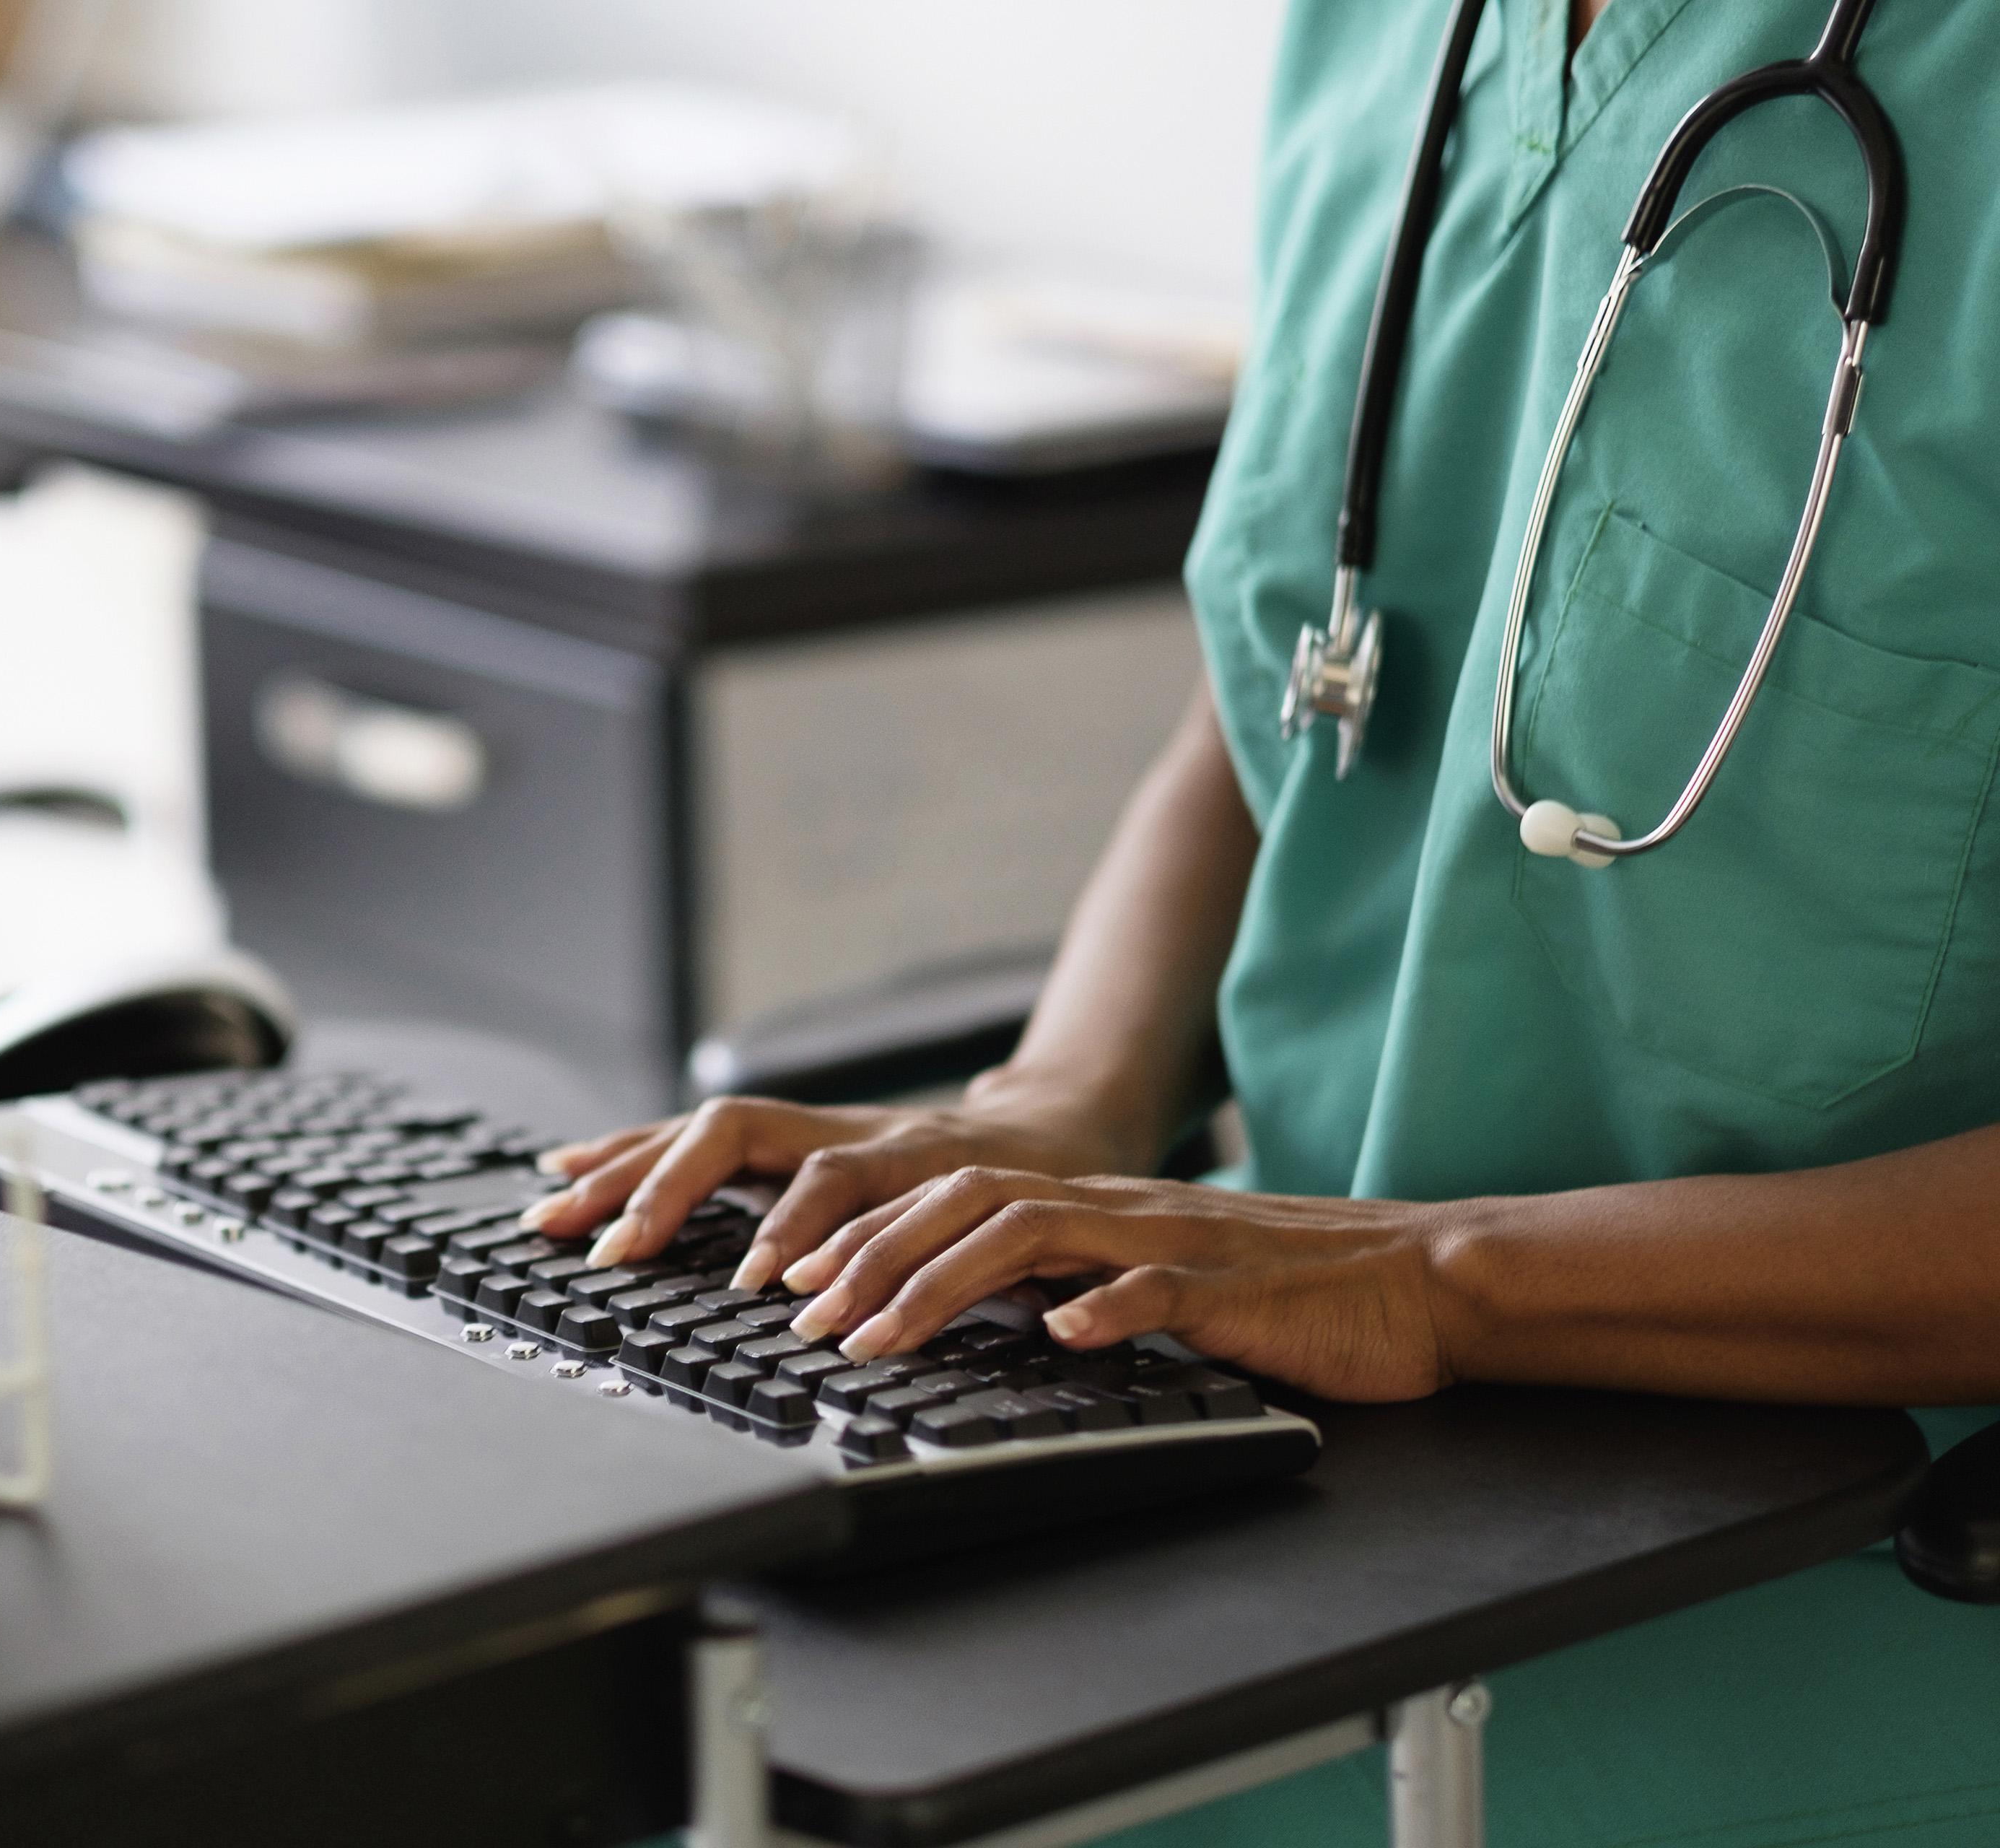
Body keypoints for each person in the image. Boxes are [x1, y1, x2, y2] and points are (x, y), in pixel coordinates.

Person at [527, 1, 2000, 1843]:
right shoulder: (1392, 36)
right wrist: (1061, 1092)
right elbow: (1315, 663)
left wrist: (1436, 1274)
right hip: (1280, 1424)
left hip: (1829, 1545)